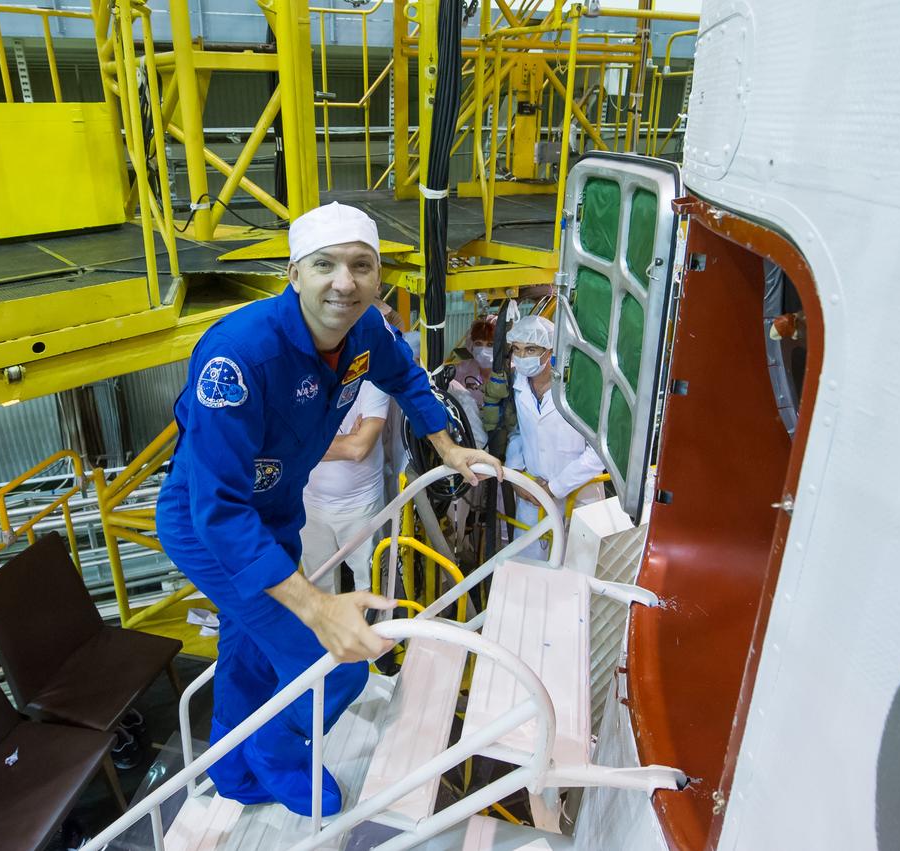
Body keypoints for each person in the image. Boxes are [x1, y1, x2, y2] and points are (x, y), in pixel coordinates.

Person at [154, 202, 500, 817]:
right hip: (213, 529)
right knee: (337, 666)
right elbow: (219, 510)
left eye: (360, 266)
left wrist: (446, 446)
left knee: (248, 647)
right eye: (325, 265)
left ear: (377, 277)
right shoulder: (238, 358)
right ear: (294, 275)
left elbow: (408, 376)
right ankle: (274, 756)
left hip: (279, 512)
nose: (344, 281)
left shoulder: (366, 330)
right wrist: (316, 606)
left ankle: (232, 765)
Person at [504, 314, 605, 540]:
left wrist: (555, 488)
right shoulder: (519, 383)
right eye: (516, 349)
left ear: (551, 351)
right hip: (531, 495)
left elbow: (600, 452)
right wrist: (516, 474)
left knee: (575, 570)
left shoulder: (579, 389)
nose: (521, 357)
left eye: (531, 349)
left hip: (577, 497)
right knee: (528, 569)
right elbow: (520, 432)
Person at [300, 378, 389, 595]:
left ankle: (371, 628)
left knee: (370, 586)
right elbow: (280, 441)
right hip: (310, 504)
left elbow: (359, 448)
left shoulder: (373, 380)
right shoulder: (299, 379)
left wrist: (303, 443)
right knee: (317, 586)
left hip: (361, 505)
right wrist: (348, 439)